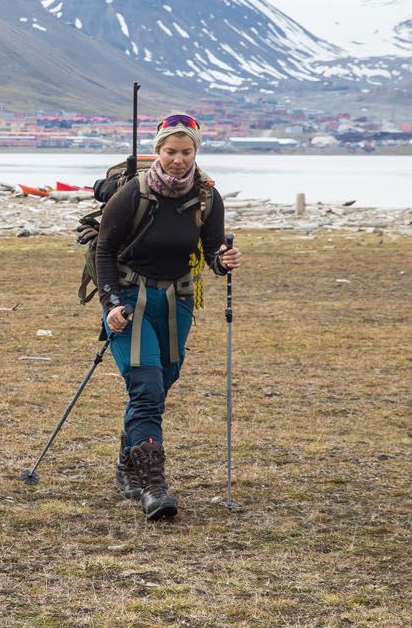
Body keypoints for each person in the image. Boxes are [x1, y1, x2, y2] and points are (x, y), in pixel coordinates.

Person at [95, 113, 243, 520]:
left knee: (162, 383)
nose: (178, 160)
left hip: (177, 299)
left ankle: (129, 458)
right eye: (170, 151)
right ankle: (153, 486)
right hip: (128, 299)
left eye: (186, 151)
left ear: (196, 151)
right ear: (157, 151)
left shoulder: (208, 197)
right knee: (145, 386)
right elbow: (103, 252)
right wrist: (110, 306)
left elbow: (212, 251)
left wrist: (223, 260)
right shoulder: (132, 194)